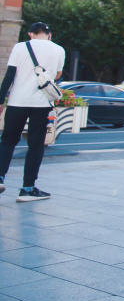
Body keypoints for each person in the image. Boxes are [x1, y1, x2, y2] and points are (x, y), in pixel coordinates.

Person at [0, 22, 65, 202]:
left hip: (17, 102)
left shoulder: (20, 47)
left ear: (30, 34)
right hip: (41, 103)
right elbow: (58, 75)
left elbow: (10, 75)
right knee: (36, 145)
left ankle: (0, 177)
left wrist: (0, 101)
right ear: (49, 34)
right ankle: (28, 189)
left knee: (7, 141)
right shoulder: (59, 50)